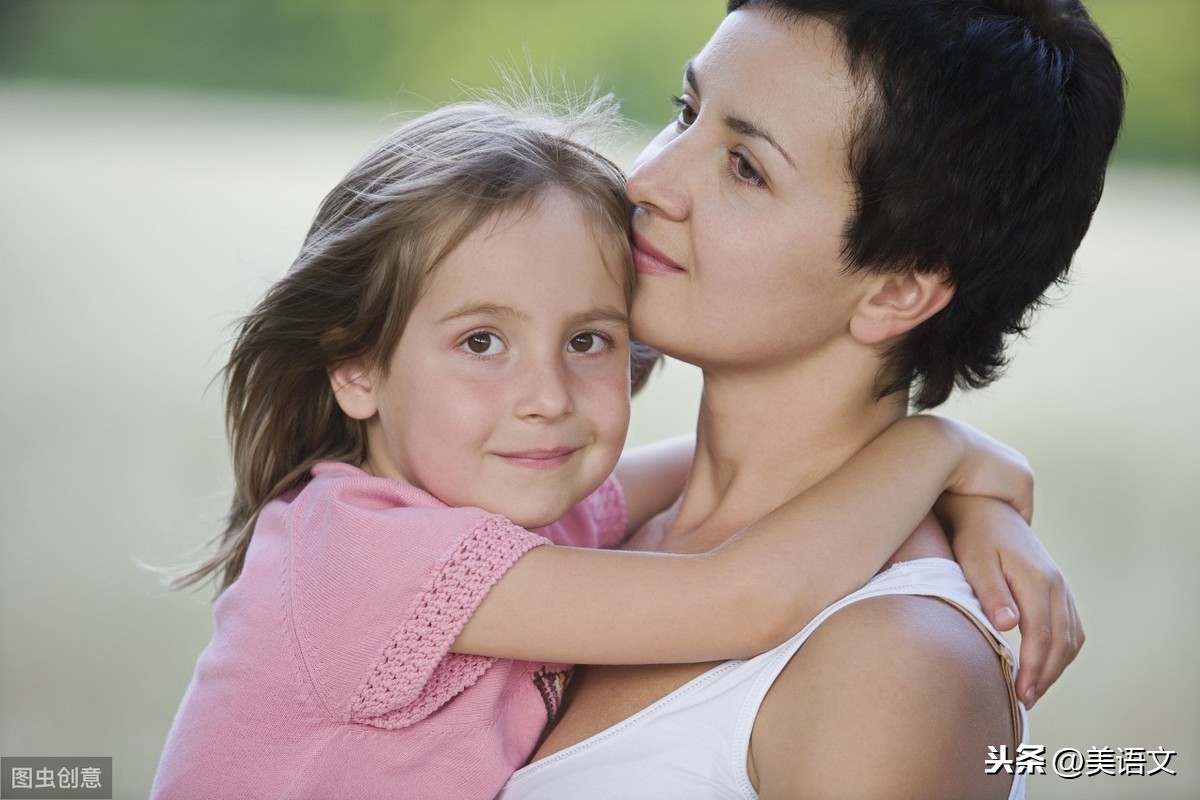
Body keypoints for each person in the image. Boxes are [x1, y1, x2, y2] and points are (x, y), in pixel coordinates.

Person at [149, 99, 1054, 799]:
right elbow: (745, 598)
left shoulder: (511, 506)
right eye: (480, 343)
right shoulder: (361, 549)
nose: (547, 400)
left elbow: (682, 483)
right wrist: (936, 447)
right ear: (356, 369)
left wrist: (959, 497)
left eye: (589, 341)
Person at [501, 1, 1124, 798]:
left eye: (745, 167)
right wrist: (941, 456)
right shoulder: (583, 516)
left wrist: (943, 459)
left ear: (897, 289)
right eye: (685, 112)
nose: (647, 180)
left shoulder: (892, 665)